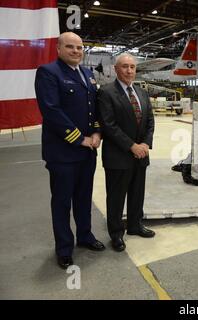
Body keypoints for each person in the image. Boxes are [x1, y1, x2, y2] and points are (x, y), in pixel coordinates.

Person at [34, 32, 105, 270]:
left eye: (80, 47)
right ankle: (64, 248)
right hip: (63, 154)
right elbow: (51, 111)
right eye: (70, 47)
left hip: (88, 152)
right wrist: (80, 139)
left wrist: (96, 133)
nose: (76, 51)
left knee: (84, 199)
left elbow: (94, 108)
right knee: (62, 202)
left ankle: (84, 236)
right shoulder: (48, 72)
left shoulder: (87, 74)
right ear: (59, 49)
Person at [97, 53, 155, 252]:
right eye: (124, 66)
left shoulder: (142, 92)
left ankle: (135, 225)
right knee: (116, 197)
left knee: (137, 194)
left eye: (132, 67)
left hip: (141, 155)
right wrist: (132, 146)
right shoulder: (106, 92)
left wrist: (146, 144)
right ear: (116, 69)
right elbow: (109, 125)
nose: (129, 70)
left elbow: (149, 122)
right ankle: (116, 234)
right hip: (119, 156)